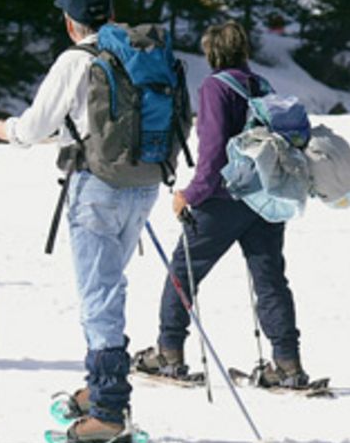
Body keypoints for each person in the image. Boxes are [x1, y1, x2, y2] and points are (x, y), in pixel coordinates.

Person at [0, 0, 157, 443]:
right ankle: (100, 388)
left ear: (71, 22)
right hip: (144, 182)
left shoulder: (74, 61)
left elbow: (32, 129)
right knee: (111, 284)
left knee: (99, 294)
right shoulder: (135, 53)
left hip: (96, 186)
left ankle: (110, 411)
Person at [132, 21, 310, 389]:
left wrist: (189, 195)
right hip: (265, 198)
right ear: (244, 50)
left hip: (224, 200)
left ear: (211, 52)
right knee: (271, 279)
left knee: (183, 271)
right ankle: (288, 365)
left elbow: (211, 156)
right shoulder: (263, 85)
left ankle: (168, 353)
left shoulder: (215, 87)